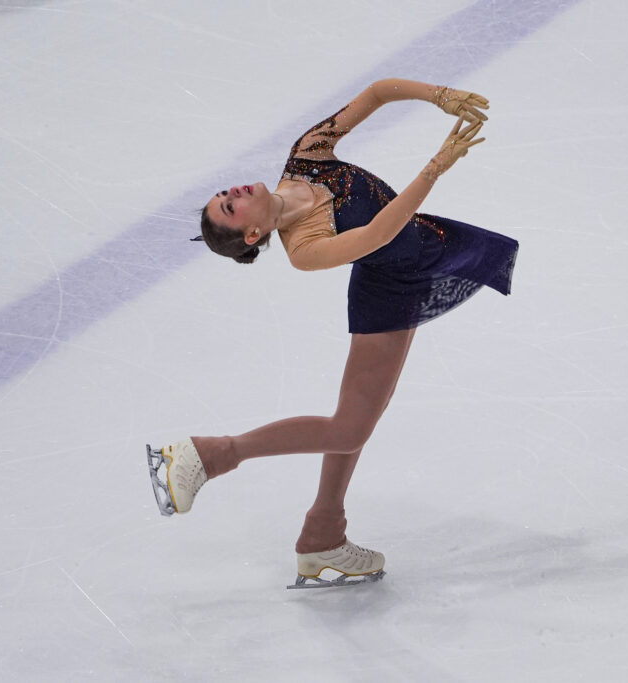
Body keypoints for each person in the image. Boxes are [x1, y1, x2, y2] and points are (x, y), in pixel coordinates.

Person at [148, 78, 519, 588]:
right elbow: (375, 235)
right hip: (388, 286)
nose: (231, 191)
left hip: (419, 259)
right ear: (253, 235)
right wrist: (435, 166)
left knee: (360, 419)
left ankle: (323, 533)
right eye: (229, 207)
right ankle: (209, 454)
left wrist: (439, 96)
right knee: (349, 428)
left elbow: (378, 92)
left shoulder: (307, 155)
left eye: (223, 194)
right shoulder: (305, 247)